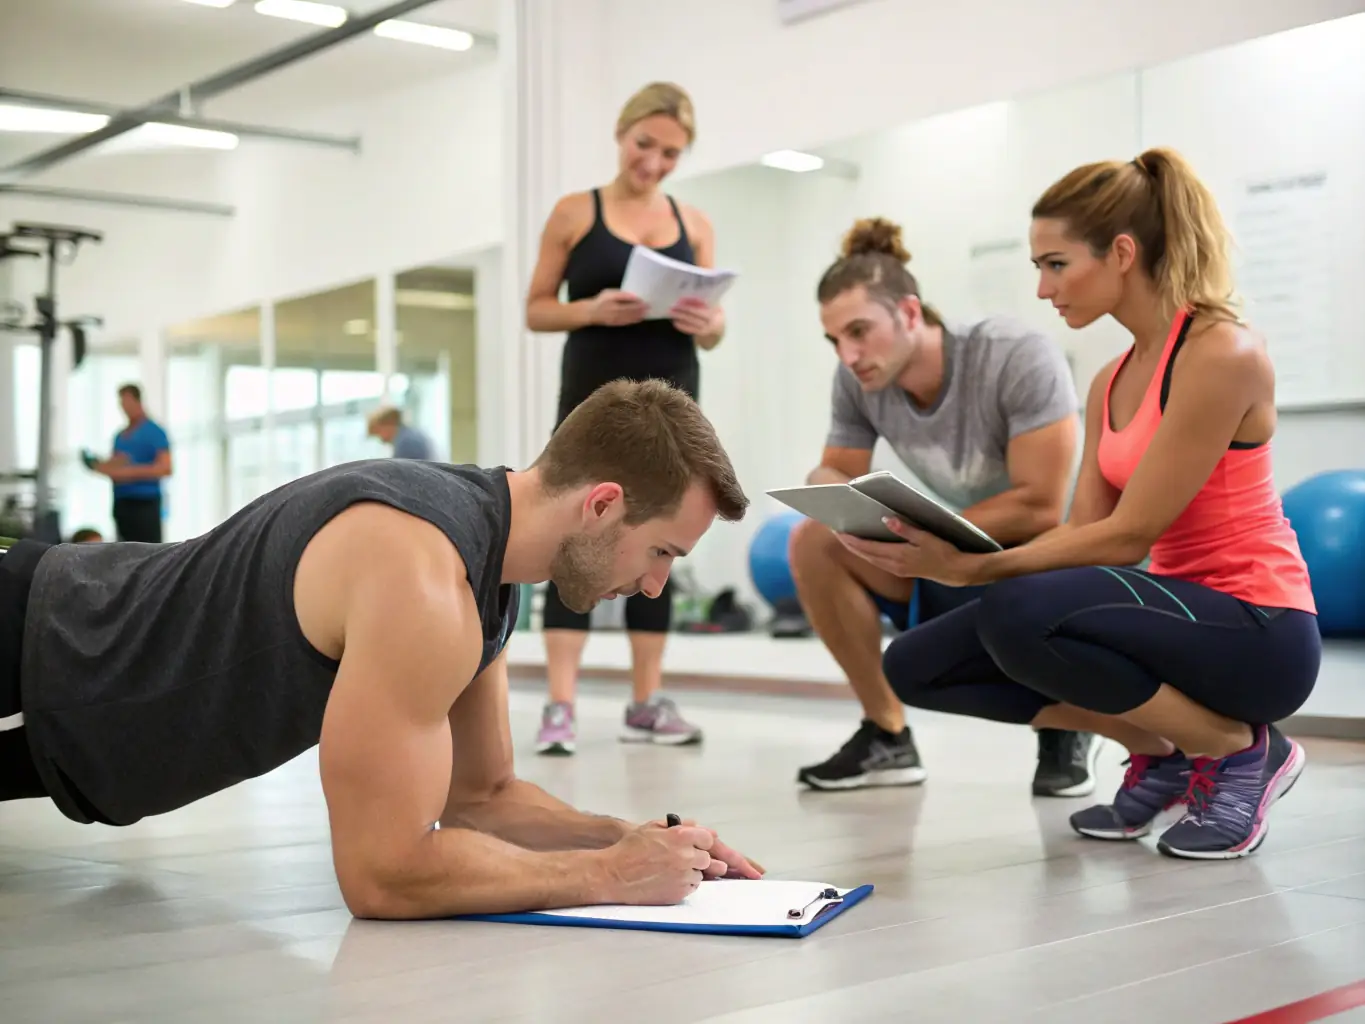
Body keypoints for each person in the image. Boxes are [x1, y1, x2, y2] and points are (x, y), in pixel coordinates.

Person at [0, 379, 764, 917]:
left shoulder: (487, 561)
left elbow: (481, 797)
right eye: (662, 552)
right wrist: (606, 874)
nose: (658, 585)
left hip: (73, 714)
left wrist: (631, 839)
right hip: (41, 652)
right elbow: (383, 877)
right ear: (603, 504)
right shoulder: (422, 575)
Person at [869, 148, 1320, 860]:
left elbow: (1127, 535)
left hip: (1258, 633)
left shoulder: (1222, 353)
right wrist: (955, 551)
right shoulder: (1109, 379)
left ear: (1119, 253)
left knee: (1018, 607)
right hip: (1169, 617)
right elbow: (1086, 530)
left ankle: (1237, 752)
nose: (1044, 289)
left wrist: (974, 570)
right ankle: (1163, 750)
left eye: (1054, 264)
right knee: (916, 665)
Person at [791, 217, 1091, 796]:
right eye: (834, 341)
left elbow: (1041, 507)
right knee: (813, 541)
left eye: (859, 331)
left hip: (1064, 558)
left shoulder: (1014, 354)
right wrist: (823, 480)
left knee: (1040, 545)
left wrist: (922, 534)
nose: (848, 355)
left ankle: (1070, 721)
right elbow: (839, 475)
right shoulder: (857, 379)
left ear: (908, 313)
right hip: (962, 548)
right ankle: (887, 733)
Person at [524, 82, 726, 755]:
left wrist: (710, 323)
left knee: (658, 540)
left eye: (670, 153)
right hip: (594, 397)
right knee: (572, 533)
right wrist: (592, 309)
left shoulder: (693, 223)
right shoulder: (574, 213)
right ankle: (560, 705)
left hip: (674, 397)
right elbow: (536, 308)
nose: (654, 162)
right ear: (622, 133)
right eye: (646, 145)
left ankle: (645, 702)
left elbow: (715, 332)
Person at [84, 383, 172, 543]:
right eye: (121, 403)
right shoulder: (121, 436)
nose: (124, 408)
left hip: (145, 504)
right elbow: (117, 463)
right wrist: (97, 465)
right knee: (124, 552)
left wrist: (128, 473)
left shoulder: (155, 432)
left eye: (127, 402)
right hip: (122, 503)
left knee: (148, 552)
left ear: (137, 401)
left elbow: (165, 468)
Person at [367, 405, 437, 460]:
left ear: (389, 424)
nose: (381, 439)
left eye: (379, 432)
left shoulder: (406, 442)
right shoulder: (409, 435)